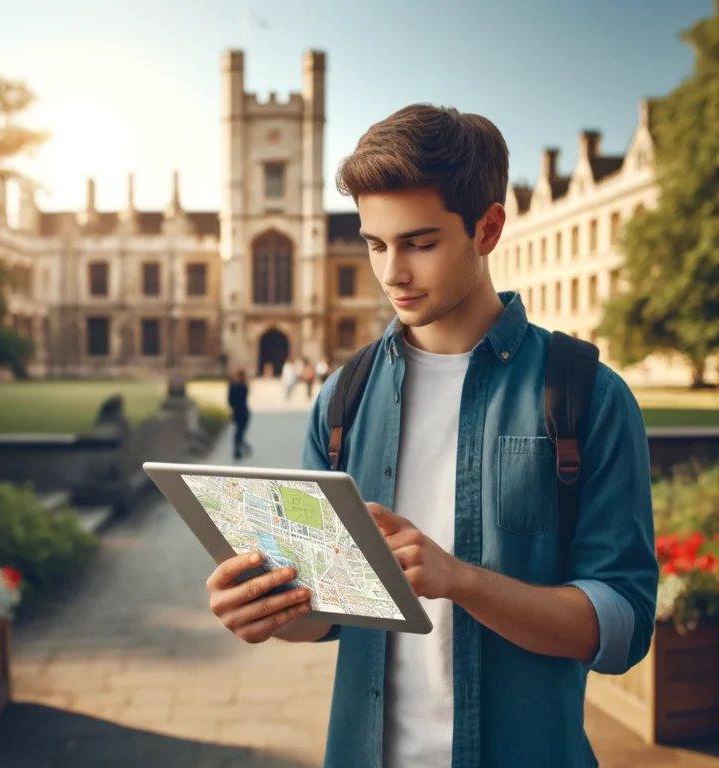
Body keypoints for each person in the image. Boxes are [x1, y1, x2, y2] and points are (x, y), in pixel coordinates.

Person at [206, 104, 659, 767]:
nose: (392, 273)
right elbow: (324, 616)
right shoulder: (341, 401)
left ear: (489, 228)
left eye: (418, 242)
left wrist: (461, 580)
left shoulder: (586, 395)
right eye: (375, 244)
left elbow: (623, 626)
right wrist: (266, 611)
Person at [227, 367, 251, 460]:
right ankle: (241, 448)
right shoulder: (244, 386)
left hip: (236, 411)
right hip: (244, 412)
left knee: (238, 432)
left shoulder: (233, 386)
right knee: (240, 432)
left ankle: (239, 449)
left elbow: (230, 401)